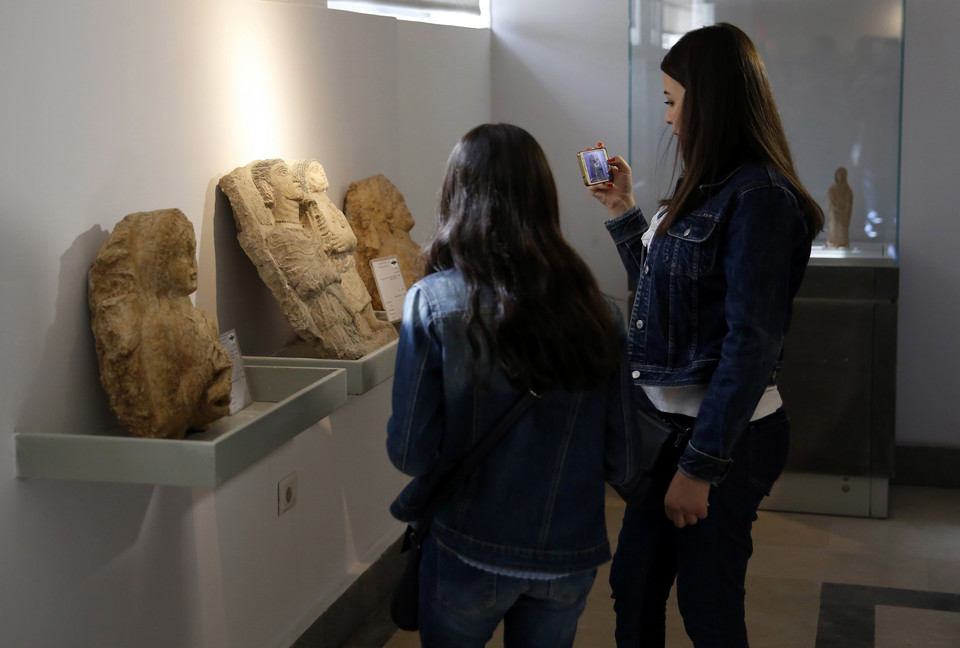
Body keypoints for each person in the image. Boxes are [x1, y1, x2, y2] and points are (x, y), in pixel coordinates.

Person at [587, 23, 824, 648]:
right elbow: (666, 306)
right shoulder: (704, 186)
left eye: (672, 100)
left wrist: (701, 466)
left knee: (707, 606)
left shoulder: (762, 199)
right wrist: (623, 212)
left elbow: (752, 347)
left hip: (724, 439)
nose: (666, 117)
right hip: (668, 433)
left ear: (709, 101)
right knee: (633, 589)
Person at [387, 123, 637, 648]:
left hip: (468, 546)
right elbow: (624, 460)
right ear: (543, 197)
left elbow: (409, 451)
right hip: (568, 552)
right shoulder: (598, 312)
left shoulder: (432, 303)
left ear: (456, 195)